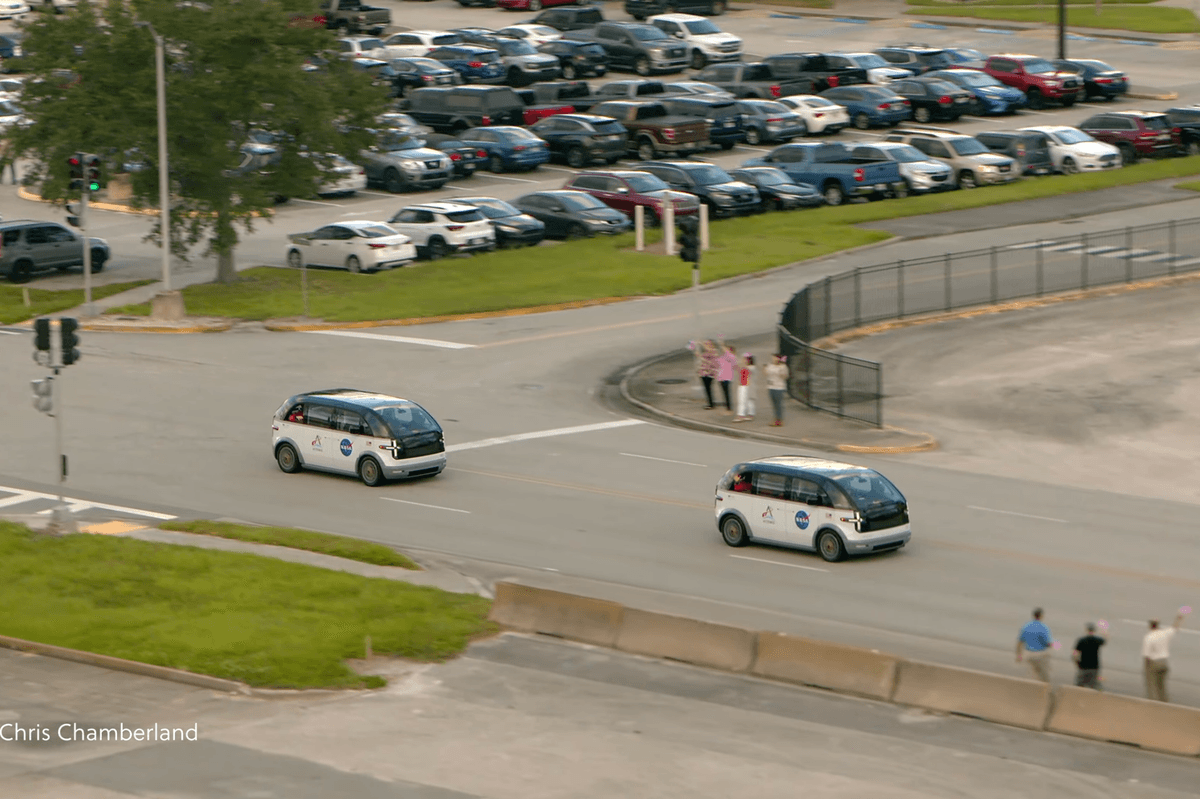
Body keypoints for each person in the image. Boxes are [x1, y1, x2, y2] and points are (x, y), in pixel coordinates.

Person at [1143, 610, 1186, 702]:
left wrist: (1146, 668)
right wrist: (1179, 617)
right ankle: (1164, 703)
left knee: (1151, 686)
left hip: (1154, 663)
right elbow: (1175, 627)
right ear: (1158, 625)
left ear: (1150, 625)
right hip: (1164, 663)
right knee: (1162, 686)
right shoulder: (1164, 633)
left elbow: (1146, 655)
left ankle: (1152, 704)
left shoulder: (1149, 637)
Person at [1016, 607, 1053, 682]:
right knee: (1044, 677)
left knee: (1030, 675)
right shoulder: (1044, 628)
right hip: (1040, 654)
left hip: (1028, 654)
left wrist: (1019, 655)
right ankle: (1046, 692)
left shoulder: (1026, 626)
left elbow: (1020, 642)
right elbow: (1048, 643)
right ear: (1041, 616)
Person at [1072, 622, 1105, 690]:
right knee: (1094, 685)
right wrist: (1104, 629)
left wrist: (1077, 664)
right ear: (1094, 631)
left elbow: (1074, 654)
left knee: (1079, 686)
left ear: (1086, 630)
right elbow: (1105, 640)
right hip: (1094, 667)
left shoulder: (1081, 640)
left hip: (1083, 666)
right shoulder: (1097, 640)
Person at [764, 354, 788, 427]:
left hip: (779, 387)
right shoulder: (770, 365)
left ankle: (780, 420)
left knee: (779, 404)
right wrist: (765, 368)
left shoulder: (783, 366)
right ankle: (775, 418)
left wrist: (781, 370)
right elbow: (766, 374)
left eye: (775, 358)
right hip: (771, 386)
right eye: (773, 358)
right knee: (774, 403)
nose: (774, 359)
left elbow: (785, 376)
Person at [696, 340, 719, 409]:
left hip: (709, 373)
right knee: (707, 389)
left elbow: (713, 363)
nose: (705, 346)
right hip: (704, 372)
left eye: (706, 345)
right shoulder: (708, 352)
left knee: (708, 389)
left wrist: (700, 357)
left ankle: (711, 404)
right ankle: (710, 402)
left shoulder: (713, 352)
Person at [734, 354, 756, 421]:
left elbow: (746, 372)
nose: (743, 360)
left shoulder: (751, 368)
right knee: (748, 401)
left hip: (746, 386)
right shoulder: (746, 367)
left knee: (742, 400)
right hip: (743, 385)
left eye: (745, 359)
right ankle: (750, 414)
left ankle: (741, 415)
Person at [716, 344, 737, 412]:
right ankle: (727, 405)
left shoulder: (732, 357)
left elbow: (733, 364)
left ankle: (729, 407)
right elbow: (717, 362)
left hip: (727, 377)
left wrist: (723, 348)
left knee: (727, 392)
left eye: (727, 349)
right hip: (721, 376)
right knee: (724, 392)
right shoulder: (723, 357)